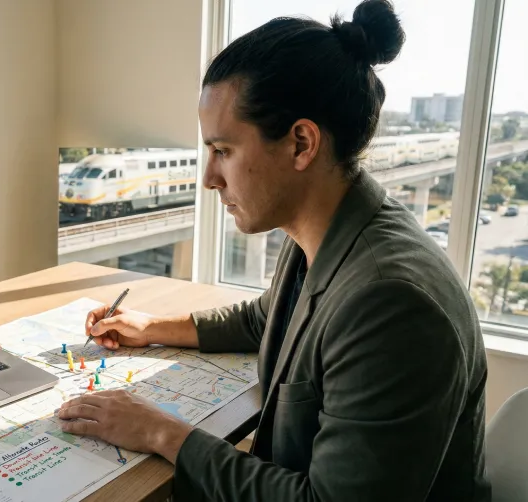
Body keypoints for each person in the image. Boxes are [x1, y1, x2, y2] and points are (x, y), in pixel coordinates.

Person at [56, 1, 491, 500]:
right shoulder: (325, 230)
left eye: (224, 151)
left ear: (302, 143)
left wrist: (160, 432)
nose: (208, 179)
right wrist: (152, 328)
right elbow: (269, 319)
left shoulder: (390, 303)